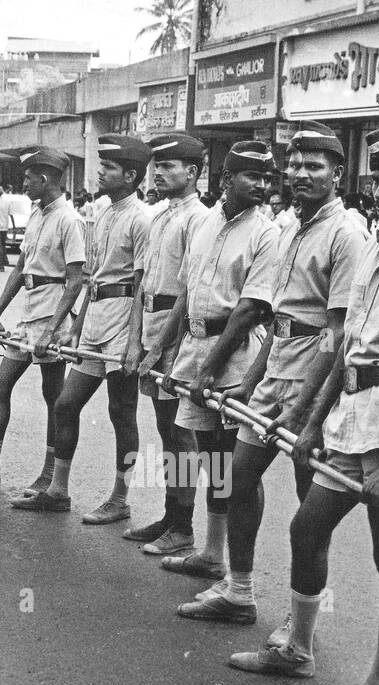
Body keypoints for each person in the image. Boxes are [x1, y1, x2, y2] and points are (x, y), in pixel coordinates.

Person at [229, 126, 379, 685]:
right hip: (350, 418)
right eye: (377, 181)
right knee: (307, 528)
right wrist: (312, 423)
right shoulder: (376, 248)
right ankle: (298, 648)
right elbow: (344, 345)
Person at [175, 122, 366, 629]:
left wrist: (306, 405)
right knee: (237, 480)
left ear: (338, 174)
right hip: (275, 371)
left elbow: (337, 332)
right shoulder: (289, 227)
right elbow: (275, 317)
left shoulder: (346, 234)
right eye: (295, 165)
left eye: (314, 166)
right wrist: (252, 381)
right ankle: (238, 591)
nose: (301, 174)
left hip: (314, 380)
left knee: (310, 513)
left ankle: (301, 630)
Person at [153, 140, 280, 595]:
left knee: (237, 463)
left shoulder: (267, 232)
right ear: (226, 179)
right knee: (211, 457)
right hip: (196, 348)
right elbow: (187, 292)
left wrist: (209, 368)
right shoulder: (204, 223)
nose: (263, 185)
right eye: (253, 176)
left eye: (267, 178)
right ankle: (210, 552)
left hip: (235, 354)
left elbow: (250, 309)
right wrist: (166, 350)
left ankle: (234, 572)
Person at [18, 134, 150, 519]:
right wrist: (77, 328)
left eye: (109, 167)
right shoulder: (103, 212)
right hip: (95, 320)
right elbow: (92, 276)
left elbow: (141, 283)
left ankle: (120, 499)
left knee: (121, 411)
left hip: (123, 323)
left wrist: (134, 341)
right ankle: (58, 490)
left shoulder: (141, 218)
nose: (100, 172)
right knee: (66, 404)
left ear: (130, 175)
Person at [0, 146, 82, 494]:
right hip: (29, 314)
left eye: (28, 178)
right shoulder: (38, 214)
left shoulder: (69, 219)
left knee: (54, 397)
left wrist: (52, 330)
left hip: (52, 316)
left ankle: (49, 476)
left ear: (45, 178)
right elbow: (19, 270)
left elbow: (75, 281)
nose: (23, 183)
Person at [125, 132, 208, 555]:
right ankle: (170, 516)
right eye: (156, 165)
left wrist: (160, 346)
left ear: (192, 172)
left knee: (181, 433)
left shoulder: (199, 219)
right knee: (165, 429)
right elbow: (143, 284)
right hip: (152, 327)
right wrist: (137, 340)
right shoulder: (158, 216)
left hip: (178, 336)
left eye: (168, 166)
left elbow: (190, 289)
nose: (157, 172)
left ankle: (184, 525)